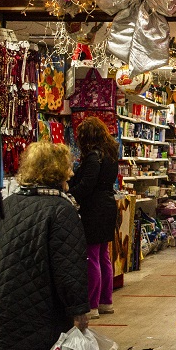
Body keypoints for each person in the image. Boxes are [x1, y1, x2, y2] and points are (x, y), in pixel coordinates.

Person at [0, 142, 90, 350]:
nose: (71, 173)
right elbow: (69, 267)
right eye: (67, 168)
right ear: (58, 170)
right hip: (40, 316)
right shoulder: (61, 210)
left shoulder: (10, 204)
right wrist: (78, 309)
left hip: (0, 309)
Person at [69, 116, 119, 318]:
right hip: (108, 205)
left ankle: (92, 304)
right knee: (103, 255)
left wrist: (69, 194)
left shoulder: (93, 157)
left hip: (94, 208)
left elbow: (87, 185)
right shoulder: (110, 154)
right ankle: (106, 300)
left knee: (91, 256)